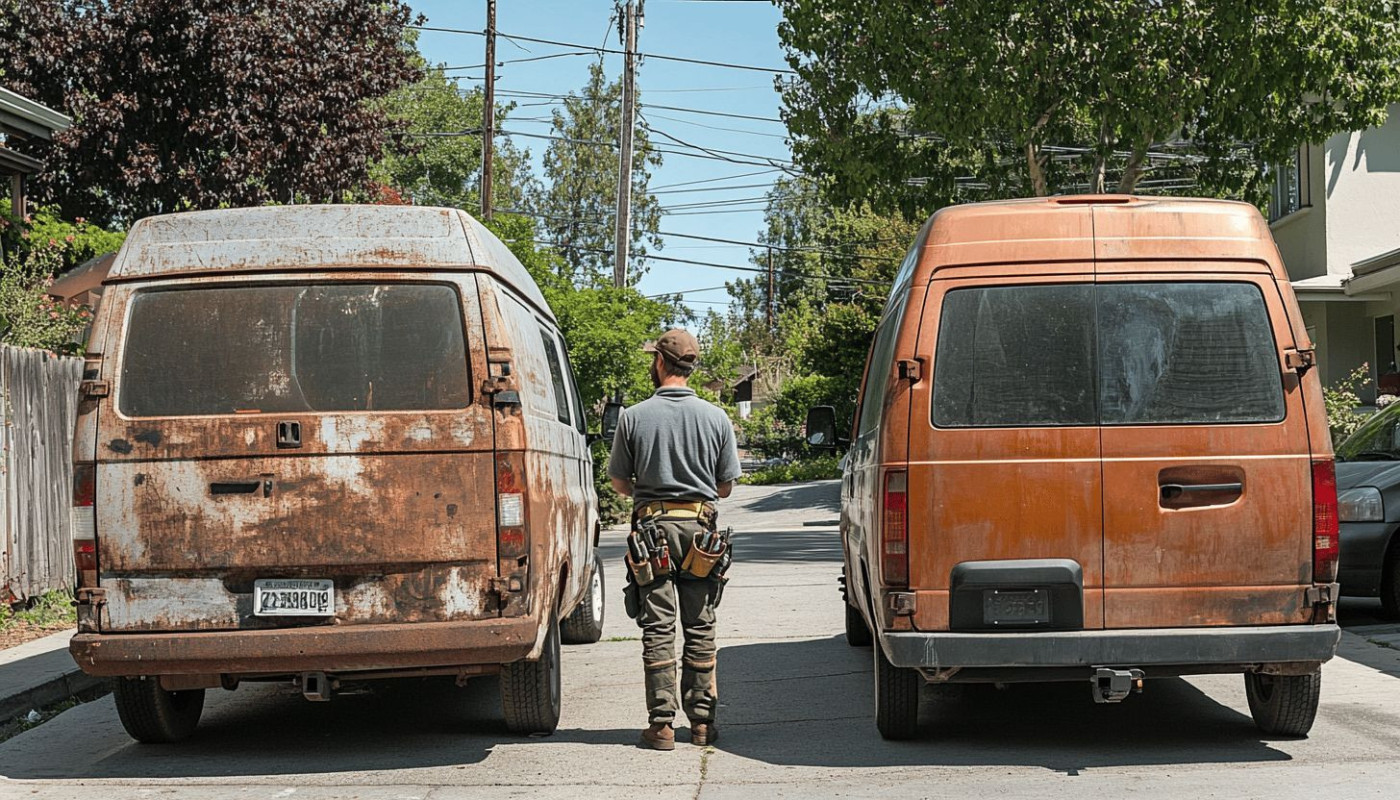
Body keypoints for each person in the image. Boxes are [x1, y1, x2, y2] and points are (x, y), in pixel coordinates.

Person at [608, 328, 741, 751]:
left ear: (660, 362)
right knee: (700, 623)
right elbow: (725, 488)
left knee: (658, 626)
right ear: (691, 366)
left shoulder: (633, 417)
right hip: (701, 534)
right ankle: (702, 723)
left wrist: (648, 491)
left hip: (653, 533)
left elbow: (618, 483)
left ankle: (662, 725)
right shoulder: (716, 418)